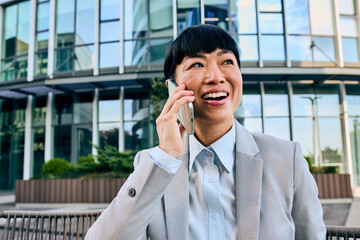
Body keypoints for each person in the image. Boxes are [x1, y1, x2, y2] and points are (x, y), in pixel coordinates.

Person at [86, 24, 326, 240]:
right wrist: (165, 156)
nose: (215, 77)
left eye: (227, 62)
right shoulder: (154, 166)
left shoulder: (287, 158)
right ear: (172, 89)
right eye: (197, 64)